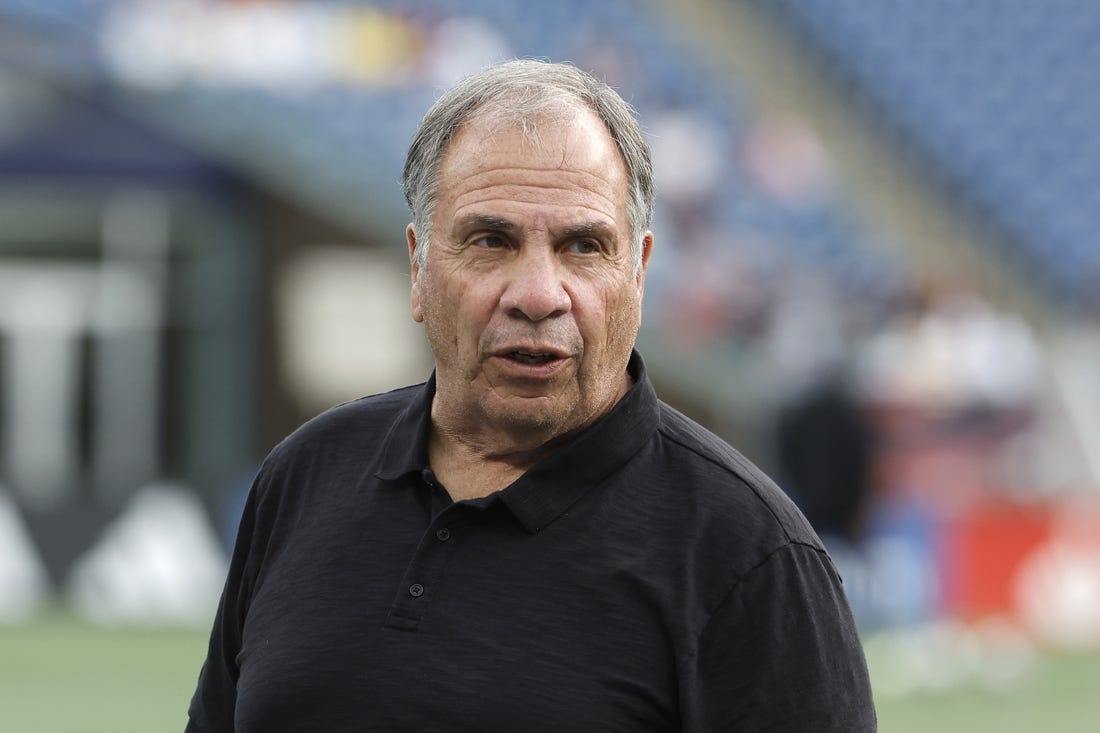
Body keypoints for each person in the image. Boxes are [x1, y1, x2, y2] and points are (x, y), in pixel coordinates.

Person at [185, 59, 876, 732]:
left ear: (637, 274)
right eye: (491, 240)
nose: (539, 294)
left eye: (583, 246)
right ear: (419, 268)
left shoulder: (751, 554)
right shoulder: (306, 475)